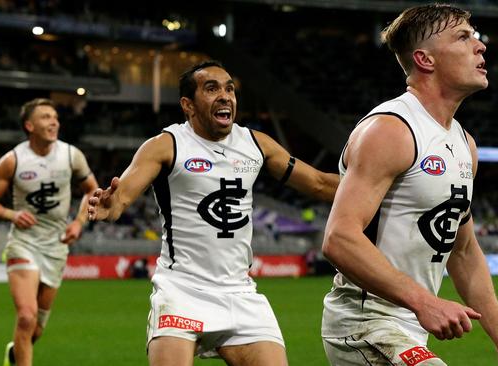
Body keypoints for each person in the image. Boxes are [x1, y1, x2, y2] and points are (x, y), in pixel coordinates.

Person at [87, 60, 338, 366]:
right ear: (188, 105)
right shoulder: (166, 145)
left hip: (240, 292)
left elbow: (319, 184)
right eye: (212, 88)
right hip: (182, 291)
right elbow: (122, 197)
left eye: (229, 88)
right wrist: (110, 206)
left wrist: (380, 184)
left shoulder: (256, 144)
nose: (225, 95)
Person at [320, 4, 498, 366]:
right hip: (364, 324)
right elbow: (339, 238)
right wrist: (425, 302)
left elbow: (463, 252)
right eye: (463, 37)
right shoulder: (390, 129)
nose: (480, 46)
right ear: (424, 59)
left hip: (407, 328)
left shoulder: (464, 144)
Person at [0, 98, 98, 366]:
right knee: (26, 317)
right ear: (29, 125)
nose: (54, 121)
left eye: (55, 116)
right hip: (23, 244)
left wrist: (79, 222)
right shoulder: (13, 160)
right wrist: (12, 214)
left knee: (36, 328)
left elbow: (93, 191)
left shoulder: (71, 155)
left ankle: (14, 354)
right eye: (45, 117)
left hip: (56, 247)